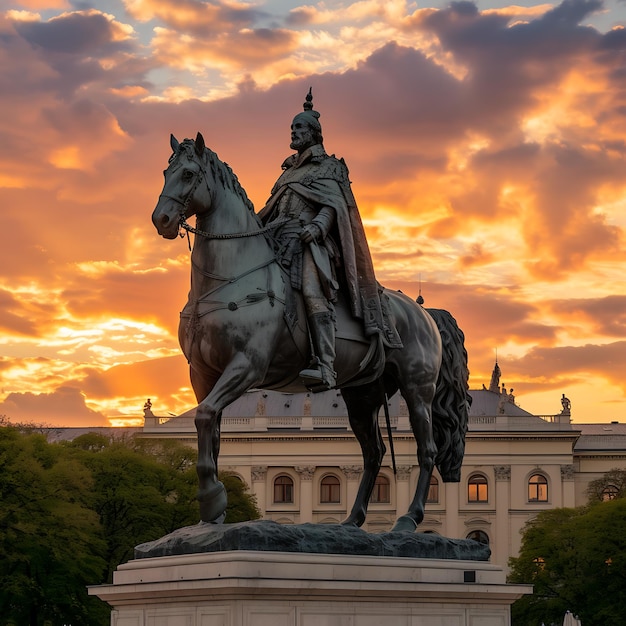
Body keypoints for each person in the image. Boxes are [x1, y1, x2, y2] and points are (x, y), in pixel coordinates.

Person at [258, 89, 391, 390]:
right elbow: (272, 208)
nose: (294, 132)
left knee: (310, 289)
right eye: (292, 128)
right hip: (279, 239)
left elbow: (335, 206)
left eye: (300, 127)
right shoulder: (286, 173)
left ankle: (326, 365)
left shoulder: (329, 167)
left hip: (312, 243)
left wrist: (317, 227)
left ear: (315, 133)